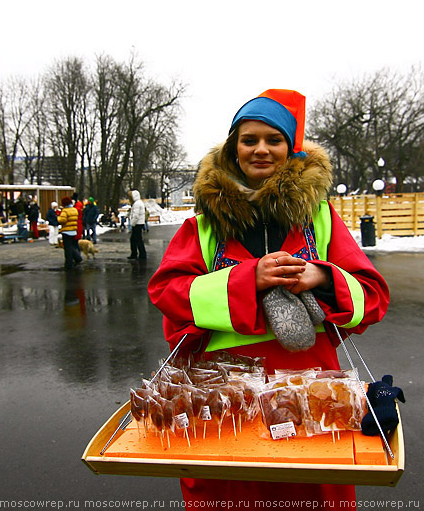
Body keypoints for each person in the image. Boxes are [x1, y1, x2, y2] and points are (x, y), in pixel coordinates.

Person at [147, 89, 390, 508]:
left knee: (313, 492)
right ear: (232, 151)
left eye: (273, 140)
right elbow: (168, 293)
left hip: (312, 394)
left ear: (290, 150)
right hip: (223, 398)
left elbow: (373, 296)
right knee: (230, 494)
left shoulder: (322, 219)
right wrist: (247, 280)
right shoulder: (201, 226)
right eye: (249, 139)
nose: (261, 149)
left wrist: (323, 276)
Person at [57, 197, 82, 270]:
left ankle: (69, 263)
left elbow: (63, 220)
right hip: (73, 231)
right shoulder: (74, 210)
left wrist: (58, 218)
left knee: (67, 248)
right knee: (72, 246)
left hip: (66, 231)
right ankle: (77, 258)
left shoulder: (65, 211)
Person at [127, 188, 146, 260]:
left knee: (136, 239)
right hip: (139, 223)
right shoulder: (138, 203)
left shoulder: (137, 204)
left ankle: (137, 254)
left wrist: (132, 224)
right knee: (137, 239)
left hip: (137, 224)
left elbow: (135, 215)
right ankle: (139, 254)